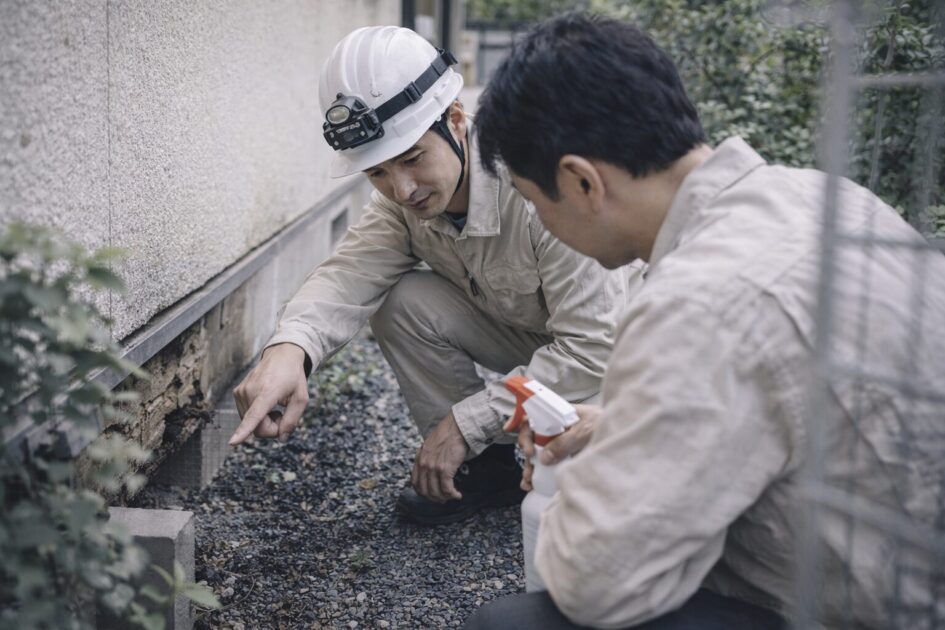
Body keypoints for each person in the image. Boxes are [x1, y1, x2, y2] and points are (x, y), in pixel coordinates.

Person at [465, 12, 945, 630]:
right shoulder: (825, 196)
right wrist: (619, 426)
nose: (540, 221)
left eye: (534, 203)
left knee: (509, 622)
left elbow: (594, 581)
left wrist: (585, 480)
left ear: (581, 181)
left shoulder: (696, 299)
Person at [227, 25, 638, 526]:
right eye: (376, 172)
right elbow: (350, 273)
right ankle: (485, 473)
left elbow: (594, 347)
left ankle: (512, 446)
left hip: (619, 361)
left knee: (602, 504)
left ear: (457, 120)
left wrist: (464, 423)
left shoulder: (538, 184)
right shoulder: (403, 201)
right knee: (401, 302)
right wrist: (289, 350)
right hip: (540, 339)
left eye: (413, 158)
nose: (401, 189)